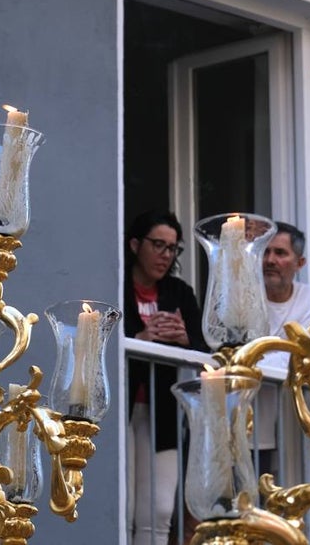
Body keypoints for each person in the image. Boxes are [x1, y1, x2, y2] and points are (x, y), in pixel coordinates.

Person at [123, 210, 207, 545]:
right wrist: (141, 339)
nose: (166, 255)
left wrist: (185, 340)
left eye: (173, 248)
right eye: (158, 245)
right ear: (134, 245)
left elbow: (206, 346)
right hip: (124, 408)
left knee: (159, 509)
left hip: (163, 412)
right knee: (124, 503)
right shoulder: (116, 281)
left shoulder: (179, 292)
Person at [254, 221, 310, 478]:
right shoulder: (247, 297)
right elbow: (234, 348)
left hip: (295, 418)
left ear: (299, 263)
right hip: (250, 415)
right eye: (266, 252)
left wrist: (261, 354)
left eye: (280, 253)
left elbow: (304, 359)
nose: (270, 260)